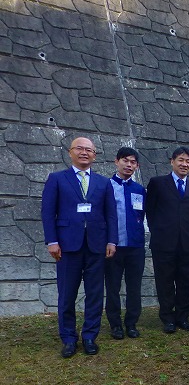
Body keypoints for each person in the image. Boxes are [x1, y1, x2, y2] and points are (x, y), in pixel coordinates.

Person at [41, 136, 118, 357]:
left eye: (89, 150)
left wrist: (111, 240)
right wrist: (52, 240)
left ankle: (89, 336)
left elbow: (110, 215)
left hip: (96, 245)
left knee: (95, 293)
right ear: (70, 152)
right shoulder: (57, 179)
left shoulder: (104, 183)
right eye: (80, 149)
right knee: (67, 293)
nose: (84, 152)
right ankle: (68, 338)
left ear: (94, 155)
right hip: (67, 246)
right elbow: (48, 212)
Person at [145, 146, 189, 333]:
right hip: (163, 242)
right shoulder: (158, 183)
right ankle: (168, 318)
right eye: (181, 160)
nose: (184, 164)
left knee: (185, 280)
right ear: (172, 161)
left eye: (188, 161)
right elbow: (150, 212)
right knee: (165, 280)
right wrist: (161, 232)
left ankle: (183, 317)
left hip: (187, 242)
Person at [104, 147, 145, 341]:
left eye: (133, 162)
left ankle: (131, 323)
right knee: (112, 287)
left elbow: (142, 215)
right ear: (116, 161)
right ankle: (115, 325)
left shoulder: (139, 189)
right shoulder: (106, 186)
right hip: (113, 246)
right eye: (125, 161)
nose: (129, 165)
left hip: (135, 246)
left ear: (136, 166)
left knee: (134, 286)